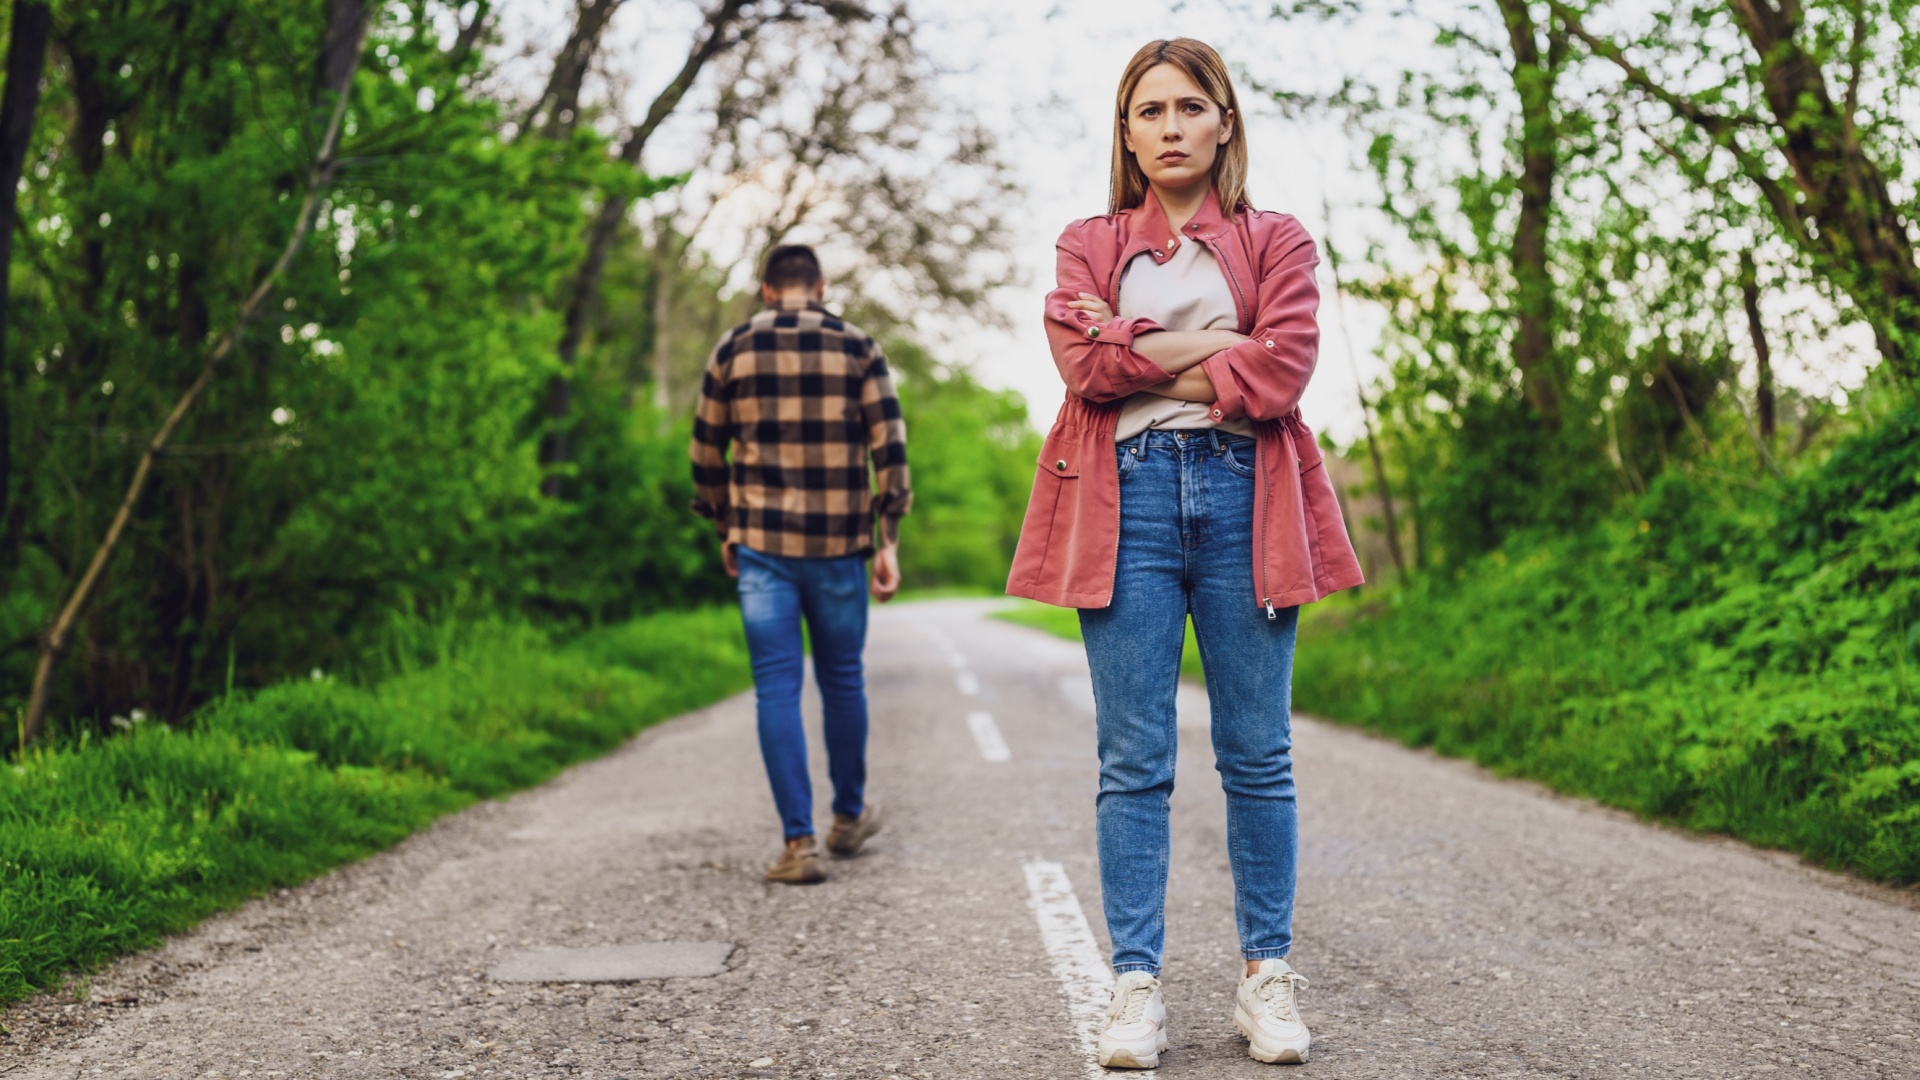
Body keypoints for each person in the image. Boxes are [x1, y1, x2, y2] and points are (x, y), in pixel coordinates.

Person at [1006, 39, 1365, 1068]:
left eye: (1188, 108)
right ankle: (1134, 987)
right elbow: (1085, 363)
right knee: (1134, 759)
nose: (1169, 127)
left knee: (1257, 754)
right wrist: (1220, 348)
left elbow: (1285, 367)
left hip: (1253, 496)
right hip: (1128, 503)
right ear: (1126, 131)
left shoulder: (1277, 239)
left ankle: (1266, 980)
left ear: (1224, 123)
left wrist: (1147, 348)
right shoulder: (1088, 242)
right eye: (1148, 111)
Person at [690, 244, 908, 885]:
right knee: (843, 679)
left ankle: (798, 844)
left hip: (762, 547)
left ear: (766, 289)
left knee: (776, 686)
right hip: (841, 547)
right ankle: (847, 817)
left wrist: (726, 526)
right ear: (820, 286)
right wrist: (887, 536)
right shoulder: (858, 346)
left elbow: (707, 451)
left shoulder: (732, 348)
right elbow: (889, 447)